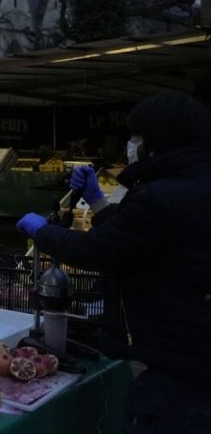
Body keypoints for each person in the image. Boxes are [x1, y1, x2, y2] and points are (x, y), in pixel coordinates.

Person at [15, 93, 211, 433]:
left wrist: (42, 231)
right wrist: (97, 201)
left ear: (157, 139)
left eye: (136, 137)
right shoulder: (193, 185)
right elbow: (137, 239)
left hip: (179, 365)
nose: (131, 145)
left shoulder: (160, 195)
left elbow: (98, 251)